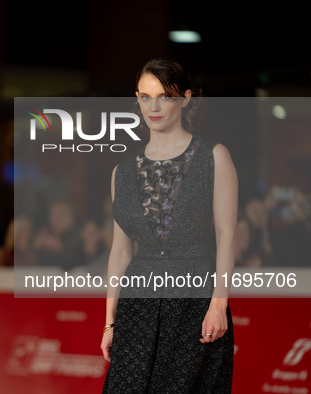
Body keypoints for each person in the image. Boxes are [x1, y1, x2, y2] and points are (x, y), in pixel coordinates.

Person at [101, 58, 236, 392]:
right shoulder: (122, 171)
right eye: (145, 97)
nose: (154, 106)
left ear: (185, 98)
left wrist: (218, 304)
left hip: (194, 301)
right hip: (137, 304)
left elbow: (227, 235)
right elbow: (119, 252)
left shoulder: (214, 156)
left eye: (164, 96)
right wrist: (110, 322)